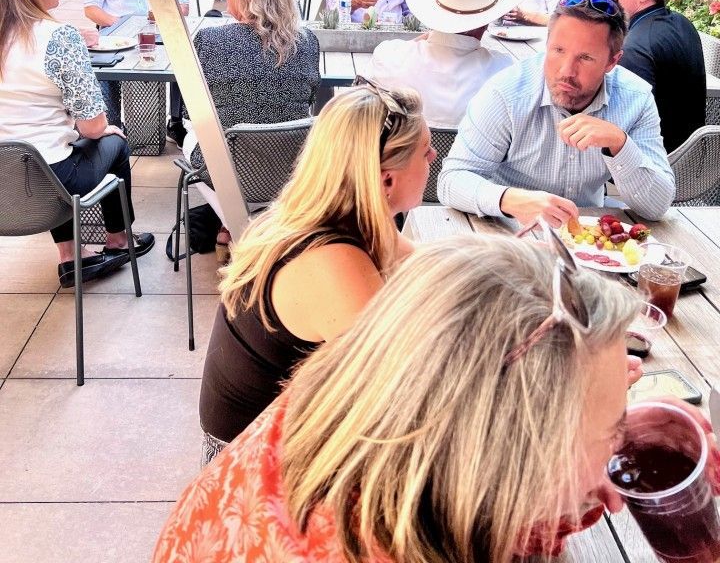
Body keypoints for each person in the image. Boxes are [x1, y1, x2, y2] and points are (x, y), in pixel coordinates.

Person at [155, 232, 704, 563]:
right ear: (511, 444)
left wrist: (599, 469)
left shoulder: (360, 404)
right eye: (612, 432)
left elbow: (482, 500)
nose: (620, 442)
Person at [198, 81, 433, 464]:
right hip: (252, 468)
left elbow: (420, 260)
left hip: (280, 432)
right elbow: (396, 392)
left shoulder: (340, 211)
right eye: (425, 153)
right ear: (387, 179)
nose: (434, 157)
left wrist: (508, 259)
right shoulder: (331, 262)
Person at [438, 0, 675, 225]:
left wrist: (619, 143)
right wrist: (509, 200)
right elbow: (451, 181)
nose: (566, 71)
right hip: (510, 235)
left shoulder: (636, 99)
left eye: (585, 58)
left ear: (612, 61)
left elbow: (656, 206)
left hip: (587, 239)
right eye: (558, 51)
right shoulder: (506, 93)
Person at [0, 0, 154, 287]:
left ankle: (71, 255)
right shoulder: (58, 37)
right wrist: (104, 130)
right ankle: (118, 240)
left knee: (46, 148)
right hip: (50, 179)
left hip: (7, 180)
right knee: (113, 141)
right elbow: (92, 126)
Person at [182, 0, 321, 245]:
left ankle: (236, 224)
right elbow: (309, 98)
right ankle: (253, 222)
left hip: (227, 166)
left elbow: (190, 111)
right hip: (292, 163)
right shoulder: (307, 42)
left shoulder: (210, 40)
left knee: (190, 132)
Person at [370, 0, 514, 127]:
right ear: (487, 21)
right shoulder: (503, 71)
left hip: (405, 152)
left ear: (435, 13)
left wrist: (430, 34)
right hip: (469, 154)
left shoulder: (389, 57)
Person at [83, 0, 190, 145]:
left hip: (160, 29)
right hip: (115, 31)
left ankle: (176, 121)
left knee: (185, 57)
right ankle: (111, 122)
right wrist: (121, 26)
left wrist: (162, 11)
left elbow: (183, 8)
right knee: (101, 67)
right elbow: (91, 8)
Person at [607, 0, 706, 152]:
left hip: (652, 163)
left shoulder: (634, 48)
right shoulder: (683, 23)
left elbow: (620, 127)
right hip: (690, 158)